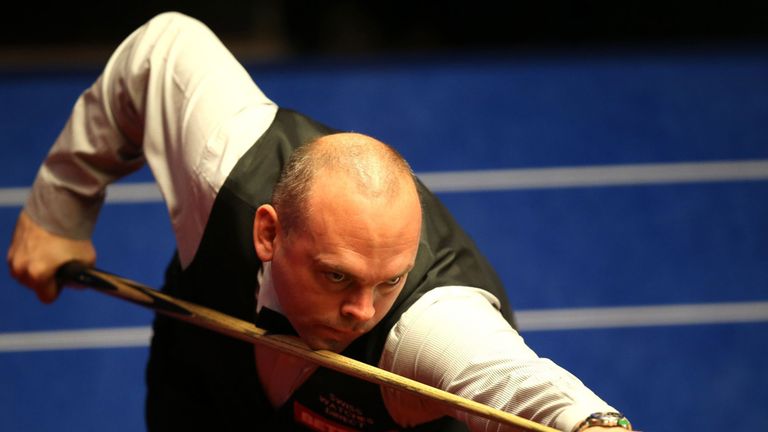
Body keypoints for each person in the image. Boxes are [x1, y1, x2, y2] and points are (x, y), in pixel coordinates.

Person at [7, 12, 633, 432]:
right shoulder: (224, 165)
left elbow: (516, 384)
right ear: (269, 233)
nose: (364, 310)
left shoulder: (429, 328)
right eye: (336, 277)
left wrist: (589, 425)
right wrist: (59, 205)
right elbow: (163, 47)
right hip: (203, 381)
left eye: (388, 281)